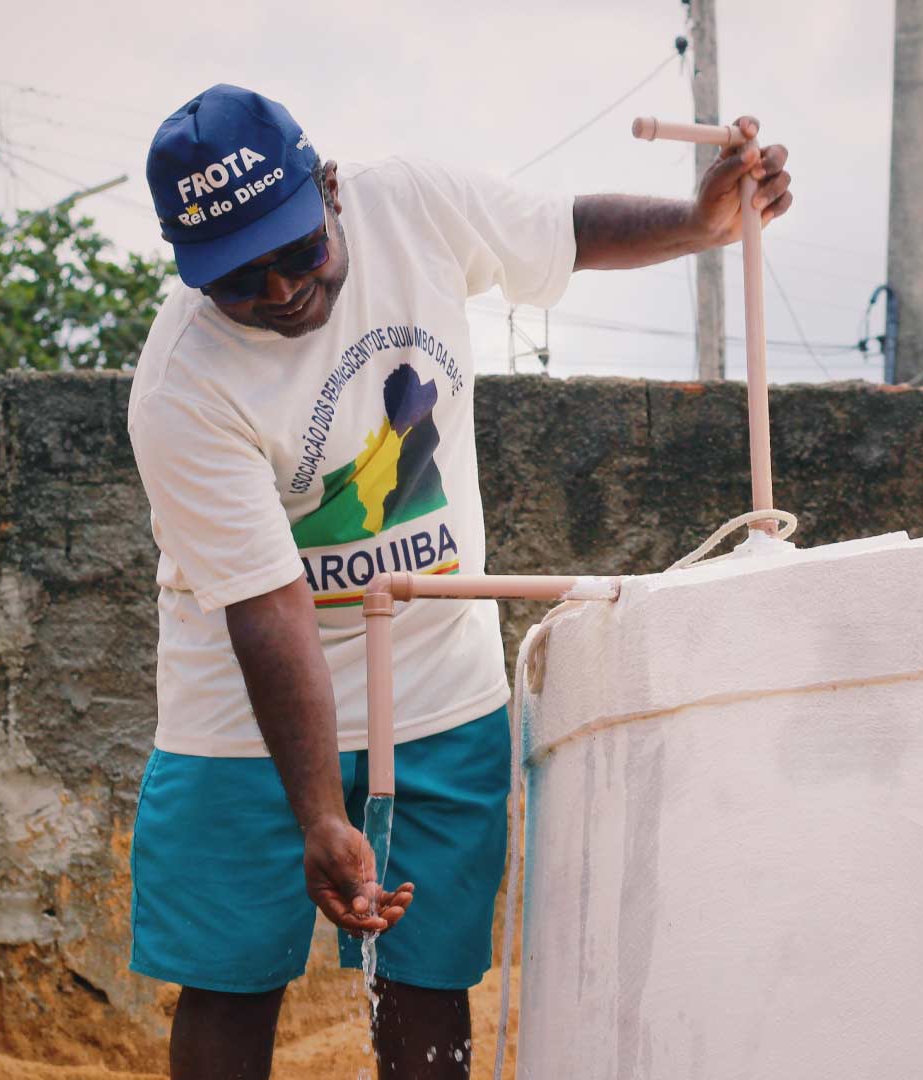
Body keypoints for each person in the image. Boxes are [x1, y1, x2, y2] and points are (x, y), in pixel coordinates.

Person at [125, 84, 793, 1080]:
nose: (277, 292)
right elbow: (269, 607)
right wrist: (316, 813)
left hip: (436, 688)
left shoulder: (415, 208)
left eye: (297, 252)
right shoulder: (182, 385)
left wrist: (700, 224)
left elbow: (565, 233)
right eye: (236, 279)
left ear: (332, 190)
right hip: (240, 715)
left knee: (428, 982)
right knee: (228, 983)